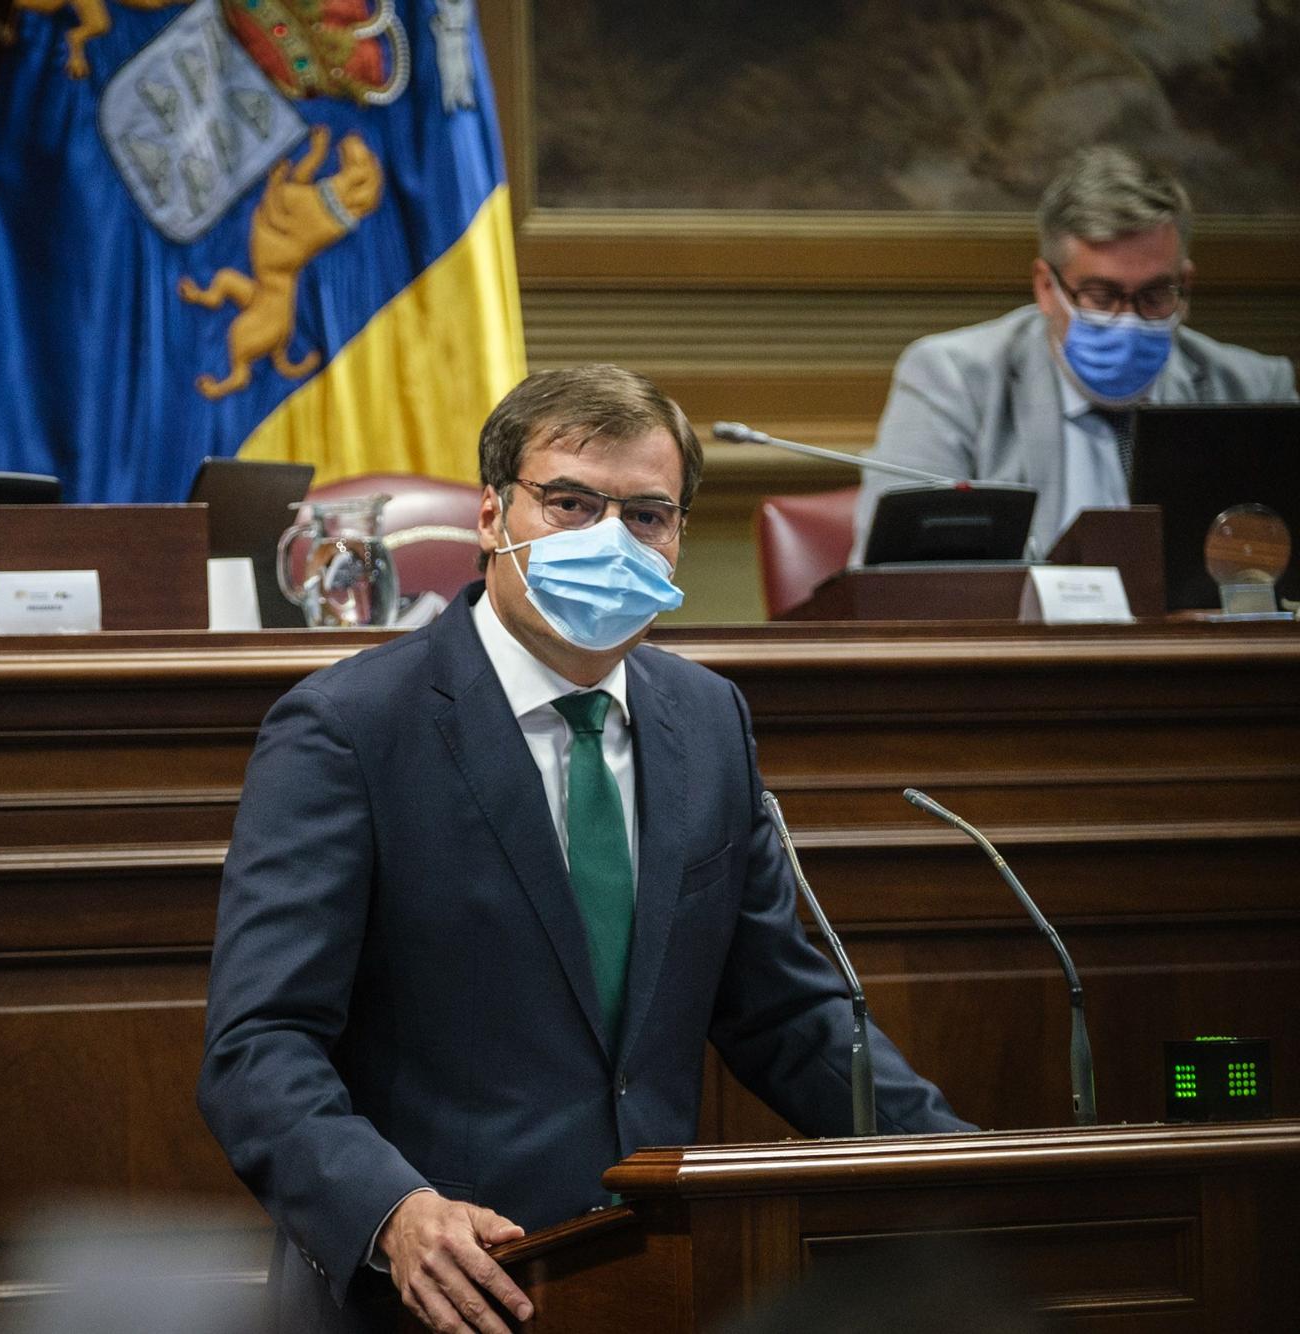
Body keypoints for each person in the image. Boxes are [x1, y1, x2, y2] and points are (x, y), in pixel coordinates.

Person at [199, 366, 969, 1334]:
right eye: (569, 502)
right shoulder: (347, 730)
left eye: (646, 514)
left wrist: (962, 1165)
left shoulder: (705, 719)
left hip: (650, 1287)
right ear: (489, 516)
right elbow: (255, 1047)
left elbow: (787, 1014)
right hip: (433, 1299)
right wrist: (391, 1212)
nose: (610, 537)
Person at [851, 145, 1296, 564]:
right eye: (1101, 296)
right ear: (1047, 287)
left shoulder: (1254, 388)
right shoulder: (954, 379)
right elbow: (898, 580)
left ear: (1186, 286)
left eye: (1155, 295)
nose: (1129, 319)